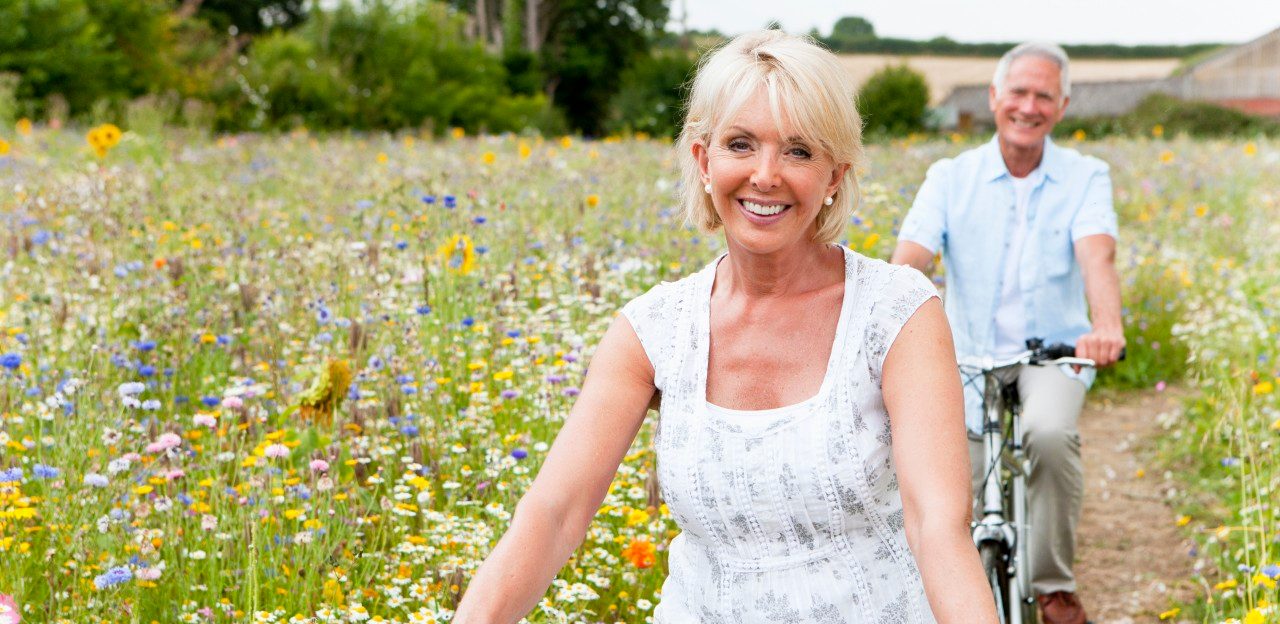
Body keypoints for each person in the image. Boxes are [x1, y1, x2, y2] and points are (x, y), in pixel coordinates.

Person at [455, 30, 996, 623]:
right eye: (740, 144)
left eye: (798, 151)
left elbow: (936, 524)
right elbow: (553, 514)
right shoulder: (653, 329)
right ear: (702, 159)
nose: (765, 175)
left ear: (834, 176)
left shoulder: (896, 311)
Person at [891, 42, 1125, 624]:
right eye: (1017, 91)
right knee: (950, 483)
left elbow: (1097, 257)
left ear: (1062, 106)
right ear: (995, 98)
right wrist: (887, 316)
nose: (1029, 105)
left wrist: (1106, 326)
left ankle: (1053, 588)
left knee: (1047, 435)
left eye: (1043, 95)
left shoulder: (1085, 176)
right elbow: (910, 259)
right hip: (965, 354)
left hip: (1054, 355)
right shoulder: (951, 177)